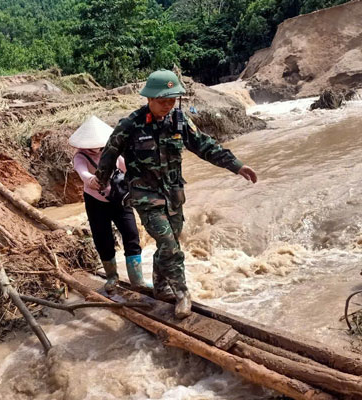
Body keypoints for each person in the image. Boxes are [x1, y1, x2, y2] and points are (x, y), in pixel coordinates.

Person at [96, 69, 258, 319]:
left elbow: (205, 146)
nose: (168, 105)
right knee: (170, 246)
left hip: (173, 195)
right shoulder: (130, 125)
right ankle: (183, 293)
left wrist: (236, 165)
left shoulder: (179, 121)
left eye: (172, 100)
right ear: (149, 98)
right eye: (163, 101)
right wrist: (101, 180)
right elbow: (109, 154)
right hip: (145, 196)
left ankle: (160, 287)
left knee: (169, 243)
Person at [70, 116, 150, 294]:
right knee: (103, 240)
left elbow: (126, 166)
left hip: (119, 198)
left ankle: (138, 280)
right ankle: (112, 278)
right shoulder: (80, 156)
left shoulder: (112, 150)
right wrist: (90, 179)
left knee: (131, 235)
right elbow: (82, 171)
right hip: (95, 202)